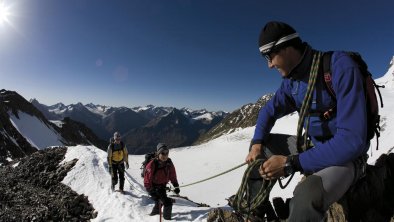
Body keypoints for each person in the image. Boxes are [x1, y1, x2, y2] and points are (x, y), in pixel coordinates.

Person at [245, 21, 369, 221]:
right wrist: (256, 143)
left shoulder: (339, 67)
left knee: (306, 196)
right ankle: (253, 209)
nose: (269, 65)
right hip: (314, 147)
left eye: (269, 56)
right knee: (265, 146)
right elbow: (268, 111)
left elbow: (352, 141)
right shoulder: (292, 83)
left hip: (346, 158)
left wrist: (291, 163)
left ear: (285, 48)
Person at [144, 143, 180, 220]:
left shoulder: (169, 163)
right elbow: (147, 180)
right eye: (162, 153)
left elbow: (172, 174)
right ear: (158, 154)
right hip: (153, 187)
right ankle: (167, 219)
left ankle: (154, 214)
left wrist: (176, 185)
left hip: (162, 187)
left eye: (167, 153)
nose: (165, 155)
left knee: (159, 202)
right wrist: (151, 190)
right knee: (167, 202)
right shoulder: (152, 164)